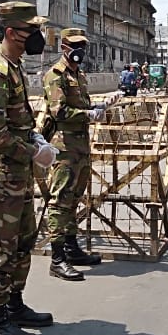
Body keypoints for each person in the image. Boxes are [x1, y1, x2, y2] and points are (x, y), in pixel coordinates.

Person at [0, 1, 58, 335]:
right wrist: (33, 152)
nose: (37, 38)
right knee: (0, 246)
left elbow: (16, 122)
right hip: (3, 173)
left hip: (18, 174)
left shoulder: (13, 67)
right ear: (11, 32)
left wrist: (35, 138)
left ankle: (14, 304)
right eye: (31, 31)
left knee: (23, 241)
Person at [43, 28, 118, 281]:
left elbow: (82, 105)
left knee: (74, 199)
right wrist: (87, 115)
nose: (80, 51)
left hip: (81, 147)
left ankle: (72, 249)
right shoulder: (55, 76)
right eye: (74, 46)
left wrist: (98, 107)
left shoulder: (79, 76)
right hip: (63, 148)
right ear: (63, 48)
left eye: (83, 46)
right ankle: (57, 259)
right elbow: (58, 112)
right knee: (59, 201)